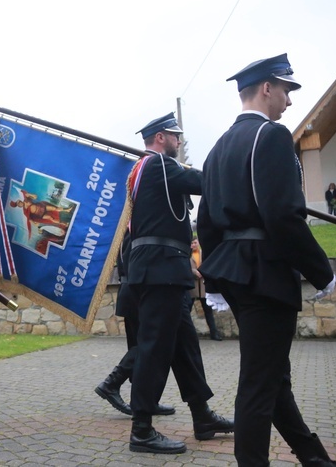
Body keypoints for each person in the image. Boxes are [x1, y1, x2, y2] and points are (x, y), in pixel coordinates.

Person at [197, 54, 336, 466]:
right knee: (260, 384)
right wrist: (321, 270)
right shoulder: (272, 135)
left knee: (272, 377)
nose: (289, 102)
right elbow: (282, 215)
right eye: (285, 91)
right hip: (266, 272)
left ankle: (313, 456)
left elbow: (206, 224)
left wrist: (219, 282)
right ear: (265, 89)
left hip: (238, 272)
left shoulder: (218, 147)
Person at [125, 112, 233, 454]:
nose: (179, 141)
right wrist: (234, 167)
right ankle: (141, 429)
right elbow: (202, 182)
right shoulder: (157, 165)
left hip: (163, 270)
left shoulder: (146, 169)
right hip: (160, 269)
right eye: (175, 136)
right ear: (160, 138)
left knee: (185, 348)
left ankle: (202, 417)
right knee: (155, 349)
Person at [95, 230, 176, 416]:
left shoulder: (127, 231)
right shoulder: (133, 232)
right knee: (146, 345)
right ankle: (111, 383)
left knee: (145, 347)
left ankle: (146, 400)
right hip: (136, 291)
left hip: (132, 291)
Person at [189, 238, 222, 341]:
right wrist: (193, 272)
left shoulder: (203, 253)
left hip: (203, 286)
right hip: (192, 287)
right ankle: (189, 336)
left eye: (195, 243)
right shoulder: (187, 254)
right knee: (187, 311)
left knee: (208, 312)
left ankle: (214, 333)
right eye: (192, 243)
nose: (193, 245)